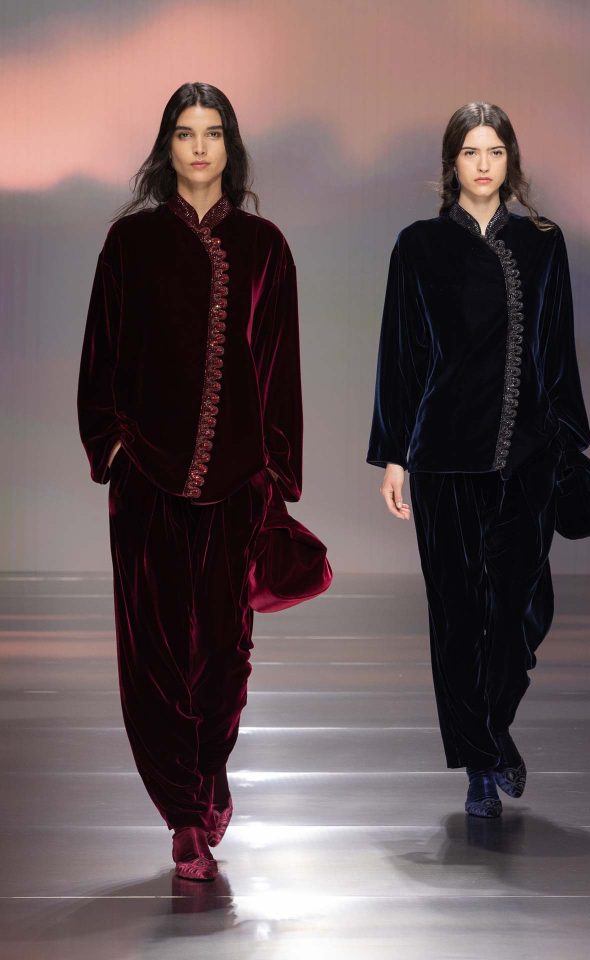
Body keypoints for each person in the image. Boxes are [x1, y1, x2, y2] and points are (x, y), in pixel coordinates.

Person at [78, 82, 304, 878]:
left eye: (212, 132)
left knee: (225, 656)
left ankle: (209, 769)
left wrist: (276, 470)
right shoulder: (131, 243)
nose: (200, 146)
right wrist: (112, 447)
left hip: (238, 482)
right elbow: (102, 355)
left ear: (230, 146)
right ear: (166, 145)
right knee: (154, 656)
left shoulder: (265, 247)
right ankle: (182, 815)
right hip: (146, 479)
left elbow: (278, 367)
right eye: (185, 132)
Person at [367, 102, 590, 818]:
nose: (484, 164)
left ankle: (492, 732)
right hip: (444, 457)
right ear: (452, 164)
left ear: (511, 161)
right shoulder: (419, 246)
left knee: (524, 608)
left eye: (495, 151)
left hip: (527, 455)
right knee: (458, 616)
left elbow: (558, 346)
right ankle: (479, 763)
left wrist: (564, 439)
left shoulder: (542, 243)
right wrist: (394, 455)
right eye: (471, 152)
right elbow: (400, 354)